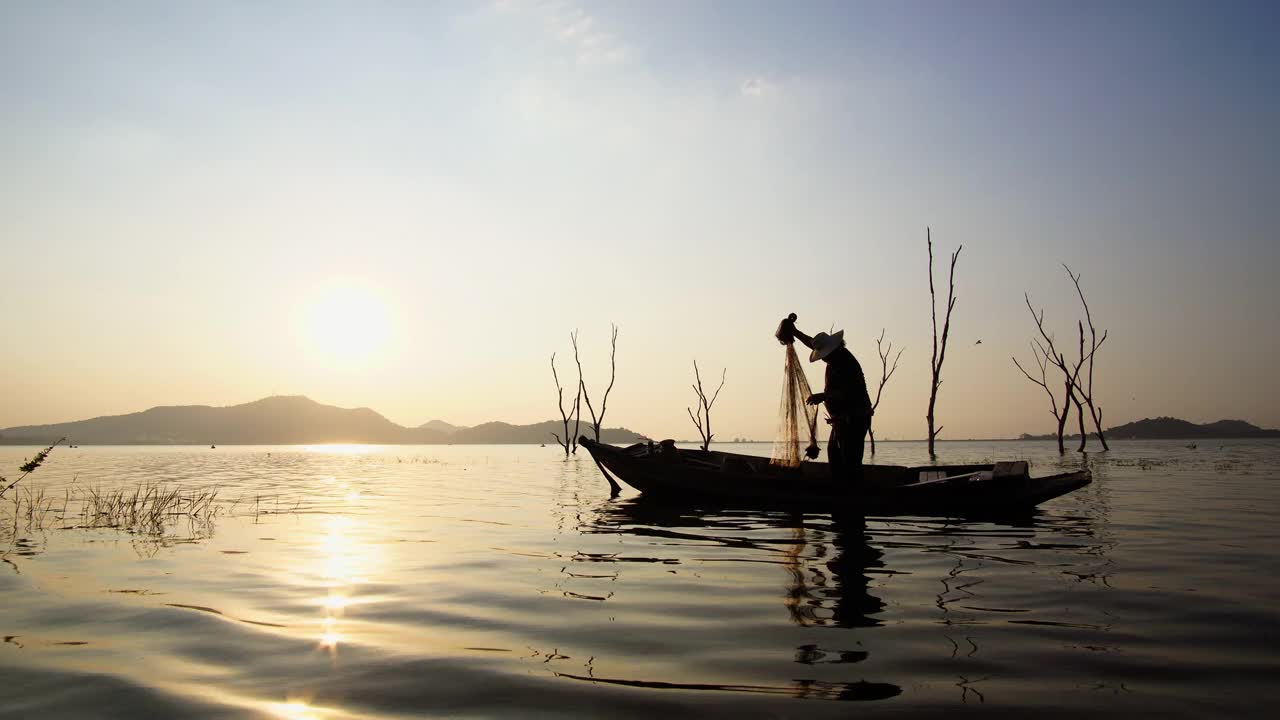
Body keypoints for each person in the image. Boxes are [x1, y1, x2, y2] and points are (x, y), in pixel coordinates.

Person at [780, 317, 872, 487]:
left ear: (833, 350)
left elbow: (850, 392)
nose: (822, 359)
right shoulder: (835, 358)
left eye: (824, 355)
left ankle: (853, 494)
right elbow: (812, 343)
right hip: (841, 420)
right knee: (835, 456)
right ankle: (842, 491)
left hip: (854, 419)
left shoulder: (845, 363)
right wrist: (795, 332)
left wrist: (823, 396)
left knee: (850, 460)